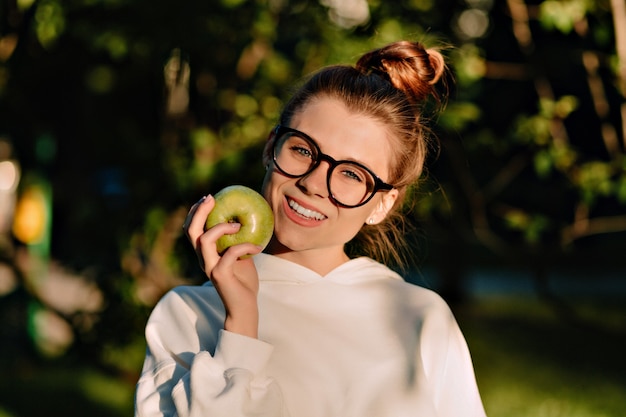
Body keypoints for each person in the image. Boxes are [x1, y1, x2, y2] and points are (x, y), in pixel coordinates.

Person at [134, 40, 487, 417]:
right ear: (272, 148)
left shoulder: (421, 318)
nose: (314, 183)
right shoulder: (186, 314)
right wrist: (240, 325)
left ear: (383, 203)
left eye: (352, 173)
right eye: (303, 150)